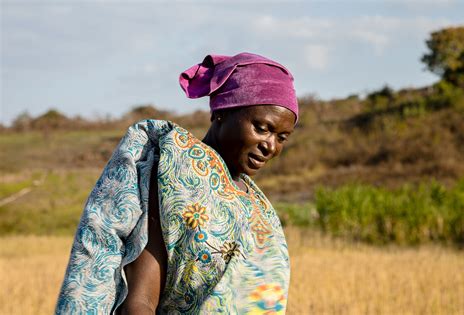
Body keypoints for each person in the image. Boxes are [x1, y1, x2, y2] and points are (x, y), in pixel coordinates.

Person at [56, 52, 298, 314]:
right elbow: (141, 300)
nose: (270, 146)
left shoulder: (257, 204)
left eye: (282, 137)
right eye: (262, 128)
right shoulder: (180, 174)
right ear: (222, 113)